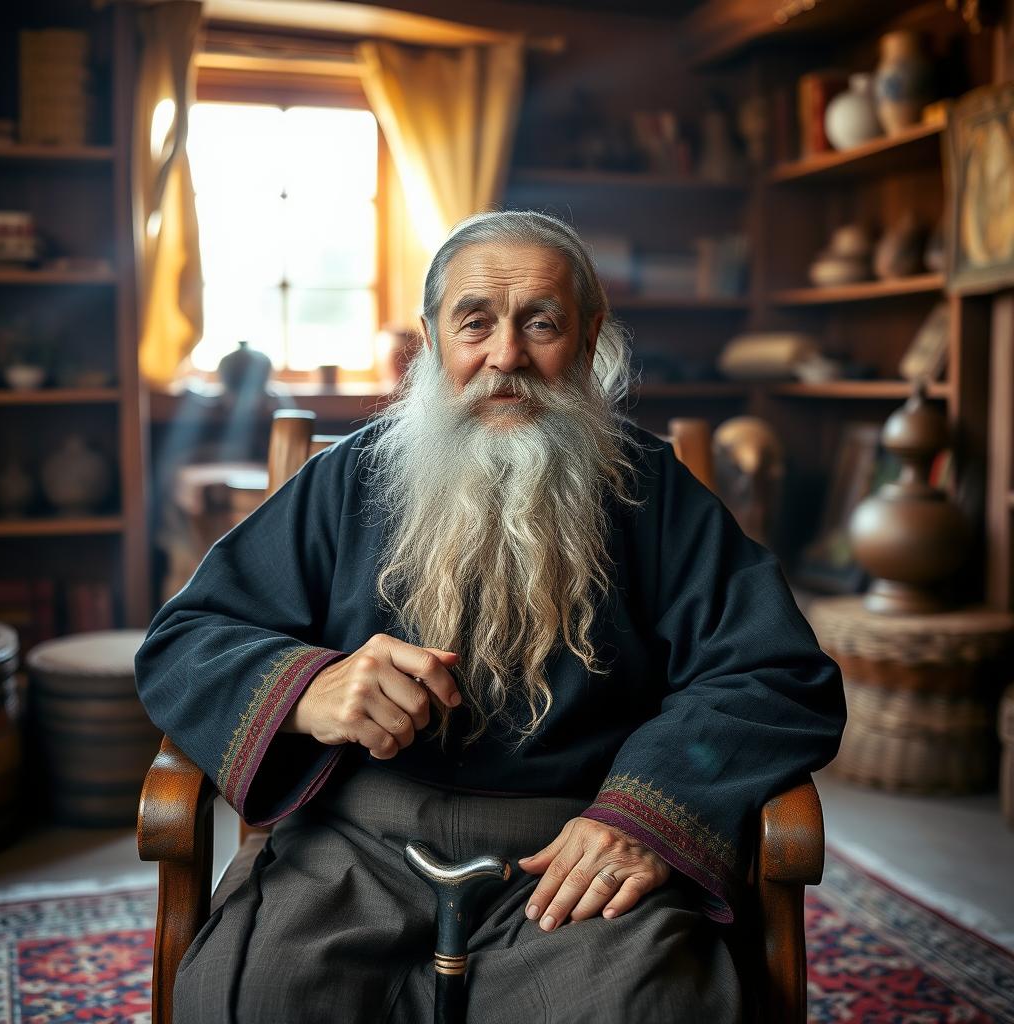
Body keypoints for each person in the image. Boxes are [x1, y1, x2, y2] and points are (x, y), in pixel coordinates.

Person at [136, 210, 846, 1023]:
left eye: (540, 323)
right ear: (432, 339)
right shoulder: (346, 480)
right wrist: (312, 689)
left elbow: (775, 675)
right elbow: (184, 641)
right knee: (254, 999)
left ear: (587, 339)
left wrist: (646, 814)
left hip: (578, 857)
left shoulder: (653, 493)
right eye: (475, 322)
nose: (506, 357)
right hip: (353, 843)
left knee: (645, 1009)